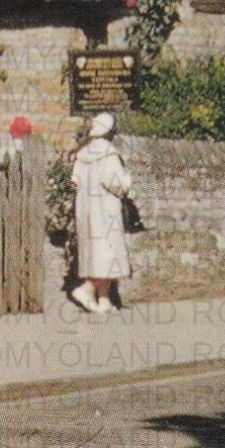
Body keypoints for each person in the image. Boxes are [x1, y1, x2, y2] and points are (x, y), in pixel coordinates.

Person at [69, 112, 133, 315]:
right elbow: (113, 182)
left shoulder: (83, 153)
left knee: (97, 252)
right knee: (108, 251)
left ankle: (104, 299)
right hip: (105, 209)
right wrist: (127, 183)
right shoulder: (108, 152)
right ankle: (87, 289)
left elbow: (75, 181)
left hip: (86, 210)